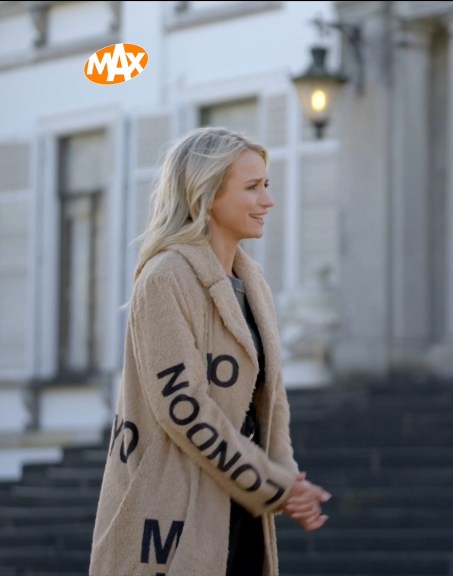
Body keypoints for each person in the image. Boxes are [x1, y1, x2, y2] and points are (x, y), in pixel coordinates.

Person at [90, 126, 332, 576]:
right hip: (173, 514)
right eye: (252, 187)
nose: (268, 201)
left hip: (242, 507)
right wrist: (274, 484)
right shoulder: (165, 278)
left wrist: (285, 476)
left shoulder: (254, 283)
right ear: (207, 195)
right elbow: (184, 408)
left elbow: (272, 400)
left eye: (267, 185)